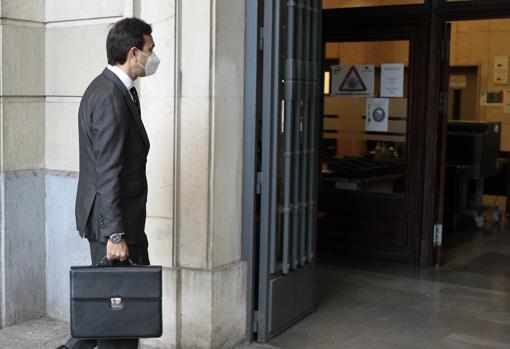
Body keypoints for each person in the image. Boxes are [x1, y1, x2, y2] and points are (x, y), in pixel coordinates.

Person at [58, 17, 160, 349]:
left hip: (118, 219)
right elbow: (108, 171)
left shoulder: (114, 90)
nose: (153, 56)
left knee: (110, 310)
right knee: (118, 316)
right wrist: (115, 235)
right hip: (113, 224)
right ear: (133, 53)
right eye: (149, 49)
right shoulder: (109, 97)